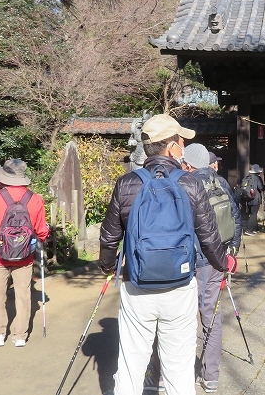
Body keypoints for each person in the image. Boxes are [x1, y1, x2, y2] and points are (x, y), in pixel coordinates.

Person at [98, 114, 236, 395]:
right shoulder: (190, 183)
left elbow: (109, 236)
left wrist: (108, 266)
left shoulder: (126, 183)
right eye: (181, 140)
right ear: (172, 147)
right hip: (180, 285)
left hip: (136, 285)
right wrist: (225, 263)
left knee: (131, 362)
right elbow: (209, 237)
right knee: (179, 365)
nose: (183, 145)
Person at [145, 143, 241, 394]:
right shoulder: (220, 183)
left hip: (188, 262)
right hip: (217, 261)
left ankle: (163, 376)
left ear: (187, 164)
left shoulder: (184, 184)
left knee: (175, 318)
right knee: (211, 318)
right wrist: (230, 253)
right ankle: (210, 376)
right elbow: (236, 217)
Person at [0, 159, 49, 348]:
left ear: (3, 177)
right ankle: (20, 336)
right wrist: (44, 229)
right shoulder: (35, 199)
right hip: (24, 256)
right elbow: (41, 232)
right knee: (23, 295)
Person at [243, 164, 265, 235]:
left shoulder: (247, 177)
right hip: (255, 198)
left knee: (252, 213)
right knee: (253, 214)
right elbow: (261, 187)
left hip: (248, 198)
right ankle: (249, 230)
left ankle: (255, 228)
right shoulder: (257, 178)